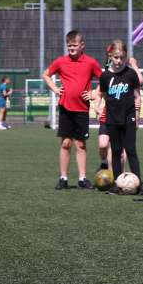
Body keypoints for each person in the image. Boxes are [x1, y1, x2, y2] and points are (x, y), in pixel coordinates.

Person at [43, 31, 100, 190]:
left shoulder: (91, 62)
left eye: (75, 45)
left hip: (82, 109)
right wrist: (55, 89)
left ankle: (82, 179)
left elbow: (104, 79)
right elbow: (46, 75)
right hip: (65, 108)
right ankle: (63, 178)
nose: (71, 48)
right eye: (69, 46)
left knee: (81, 144)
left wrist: (94, 94)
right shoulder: (61, 61)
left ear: (82, 45)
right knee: (66, 143)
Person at [97, 40, 143, 195]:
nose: (119, 61)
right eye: (116, 57)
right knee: (116, 151)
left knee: (131, 150)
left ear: (126, 57)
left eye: (122, 57)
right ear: (110, 56)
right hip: (112, 119)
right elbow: (104, 96)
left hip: (129, 117)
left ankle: (139, 185)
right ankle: (117, 185)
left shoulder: (130, 74)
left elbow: (137, 97)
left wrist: (136, 117)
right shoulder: (105, 76)